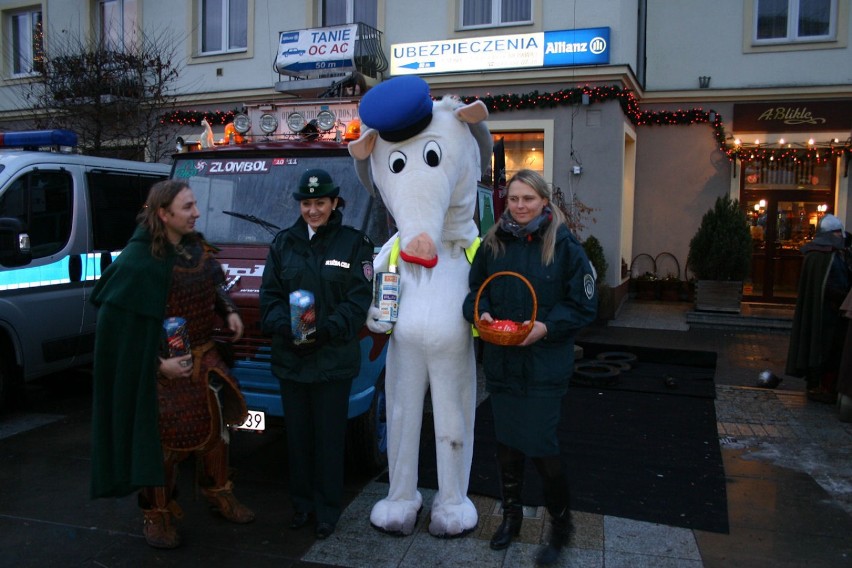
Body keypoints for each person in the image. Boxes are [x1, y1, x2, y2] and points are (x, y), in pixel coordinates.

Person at [90, 180, 254, 550]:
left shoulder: (195, 247)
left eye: (195, 205)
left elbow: (215, 284)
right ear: (164, 214)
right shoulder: (138, 261)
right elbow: (119, 333)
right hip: (162, 373)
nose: (197, 212)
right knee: (161, 447)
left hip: (204, 358)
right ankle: (157, 513)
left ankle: (219, 493)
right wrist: (156, 366)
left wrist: (227, 310)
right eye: (188, 207)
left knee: (216, 434)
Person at [462, 169, 597, 566]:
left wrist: (548, 327)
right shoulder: (493, 244)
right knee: (506, 444)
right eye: (515, 199)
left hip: (544, 366)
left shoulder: (565, 246)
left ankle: (560, 526)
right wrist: (480, 314)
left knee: (541, 443)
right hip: (503, 363)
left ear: (544, 201)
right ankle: (511, 517)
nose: (520, 206)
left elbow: (583, 304)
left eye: (529, 199)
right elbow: (474, 290)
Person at [259, 168, 375, 540]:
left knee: (328, 440)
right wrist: (285, 329)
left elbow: (358, 300)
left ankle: (327, 510)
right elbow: (270, 298)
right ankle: (302, 505)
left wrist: (326, 330)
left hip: (332, 360)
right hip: (292, 359)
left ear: (334, 203)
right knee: (298, 439)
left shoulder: (354, 244)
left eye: (319, 203)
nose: (312, 210)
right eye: (307, 203)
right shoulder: (283, 244)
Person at [786, 214, 852, 402]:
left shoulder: (833, 254)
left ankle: (826, 385)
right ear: (831, 234)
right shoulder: (817, 256)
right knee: (821, 348)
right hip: (824, 313)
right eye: (838, 233)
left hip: (835, 312)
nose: (841, 237)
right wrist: (843, 298)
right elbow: (826, 287)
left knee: (833, 351)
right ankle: (817, 386)